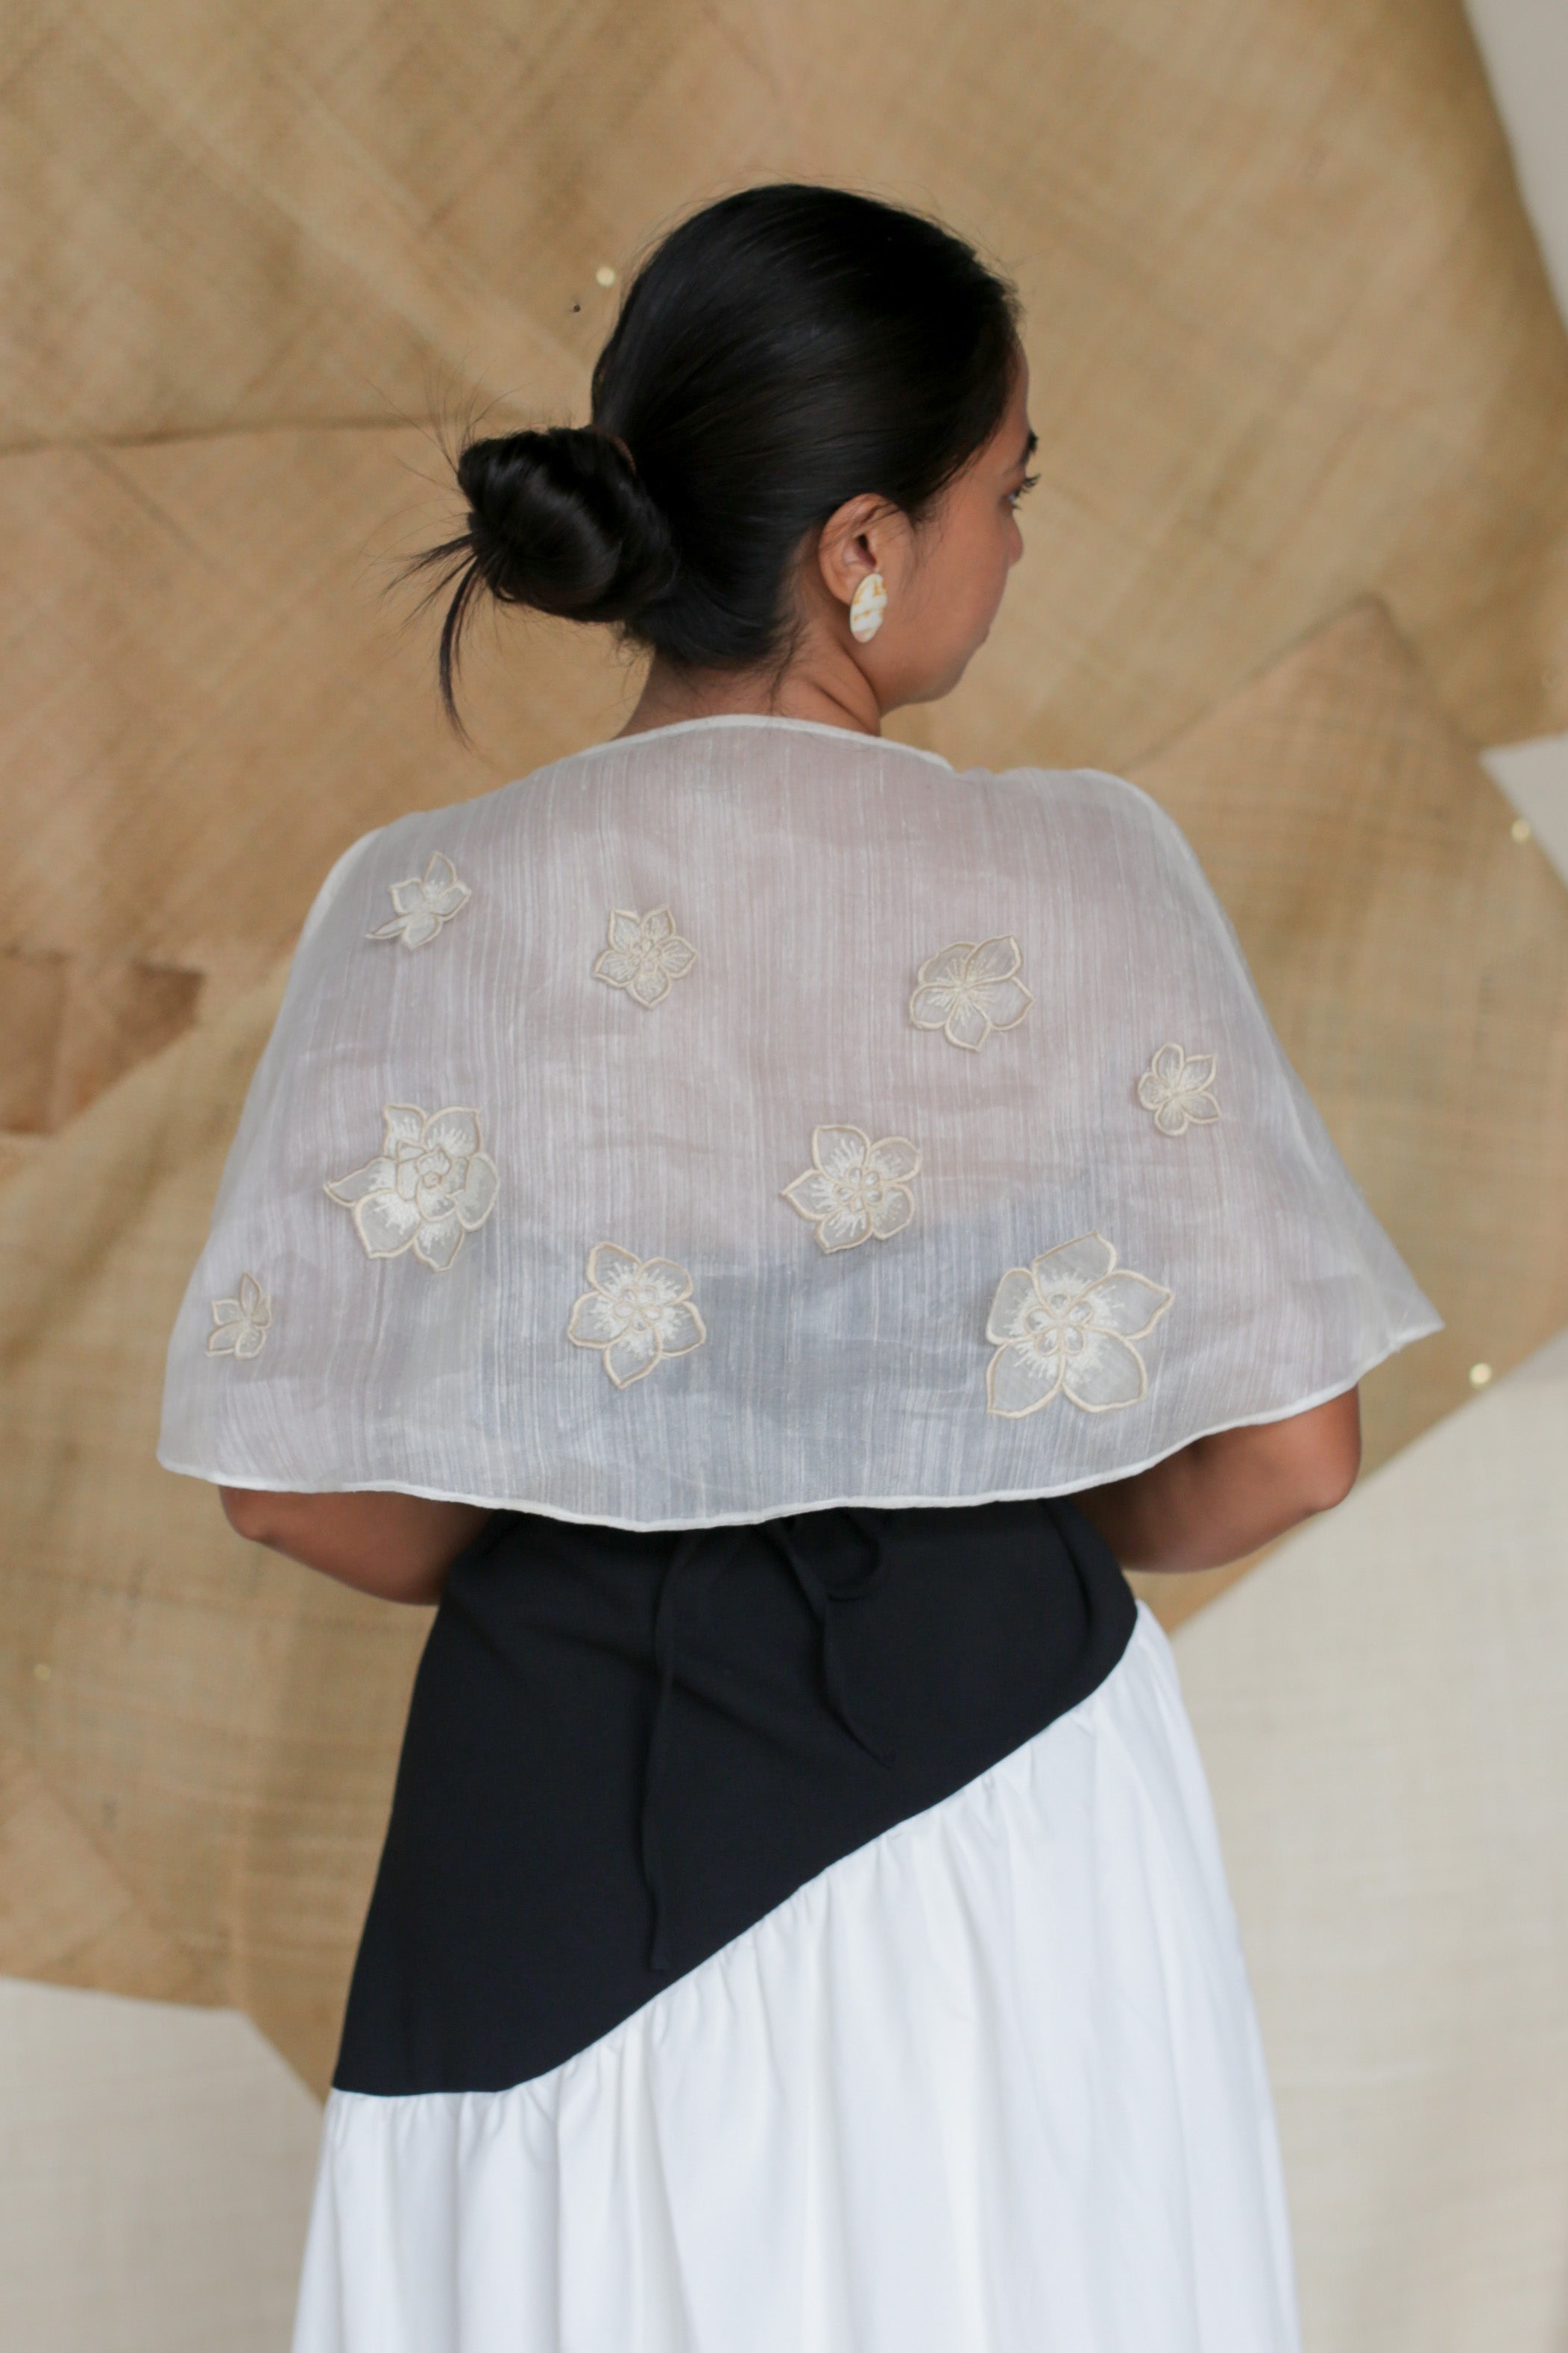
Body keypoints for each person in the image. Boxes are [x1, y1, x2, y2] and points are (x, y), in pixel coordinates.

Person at [160, 184, 1439, 2352]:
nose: (1013, 543)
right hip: (996, 1776)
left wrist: (607, 1505)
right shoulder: (1077, 876)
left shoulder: (425, 905)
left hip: (549, 1826)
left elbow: (289, 1486)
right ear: (863, 542)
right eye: (1003, 492)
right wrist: (971, 1497)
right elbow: (1290, 1452)